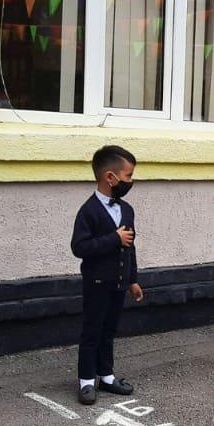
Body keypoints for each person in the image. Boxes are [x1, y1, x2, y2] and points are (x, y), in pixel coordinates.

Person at [70, 145, 144, 405]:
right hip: (97, 283)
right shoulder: (88, 211)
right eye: (128, 176)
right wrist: (114, 238)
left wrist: (133, 280)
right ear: (110, 178)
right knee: (92, 331)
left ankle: (107, 375)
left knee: (109, 331)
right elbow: (79, 247)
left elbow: (130, 247)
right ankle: (86, 381)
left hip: (119, 283)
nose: (131, 181)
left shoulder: (127, 210)